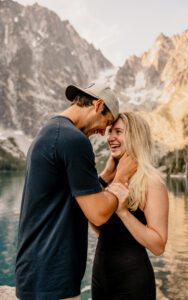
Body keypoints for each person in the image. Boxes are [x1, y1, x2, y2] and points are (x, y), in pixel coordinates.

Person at [15, 83, 137, 300]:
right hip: (53, 279)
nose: (102, 133)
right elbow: (98, 213)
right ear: (98, 105)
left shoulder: (50, 131)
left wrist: (105, 177)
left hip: (33, 274)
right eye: (106, 123)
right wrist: (121, 177)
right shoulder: (74, 140)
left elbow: (67, 196)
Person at [92, 112, 169, 300]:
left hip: (132, 283)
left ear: (135, 137)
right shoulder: (114, 178)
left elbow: (158, 245)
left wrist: (123, 212)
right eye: (110, 131)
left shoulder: (152, 182)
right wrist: (105, 177)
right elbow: (97, 224)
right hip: (100, 279)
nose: (110, 138)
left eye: (118, 132)